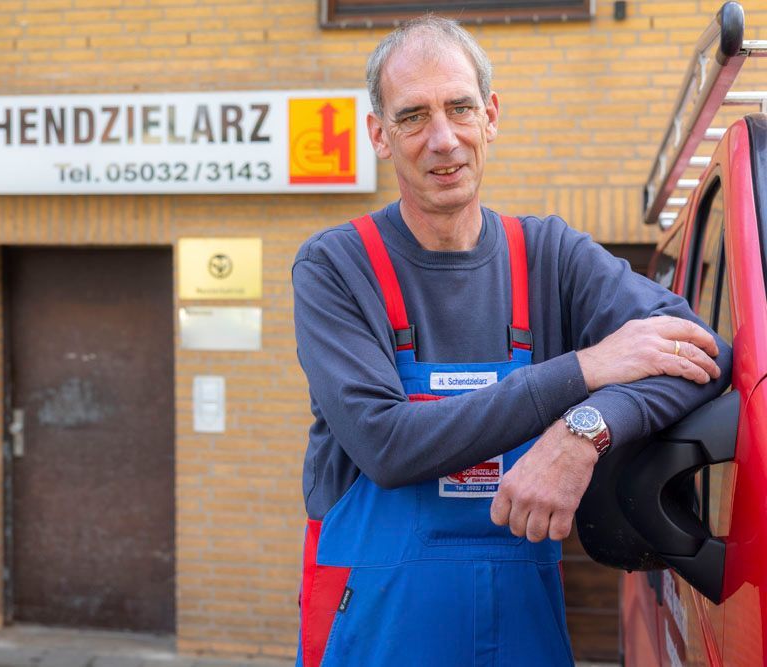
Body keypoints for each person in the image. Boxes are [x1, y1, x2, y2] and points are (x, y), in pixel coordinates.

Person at [291, 15, 731, 667]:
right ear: (379, 135)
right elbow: (386, 444)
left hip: (521, 635)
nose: (443, 140)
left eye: (460, 107)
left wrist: (583, 429)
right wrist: (583, 369)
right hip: (376, 633)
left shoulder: (548, 255)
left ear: (491, 115)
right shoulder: (335, 267)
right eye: (413, 117)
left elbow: (702, 351)